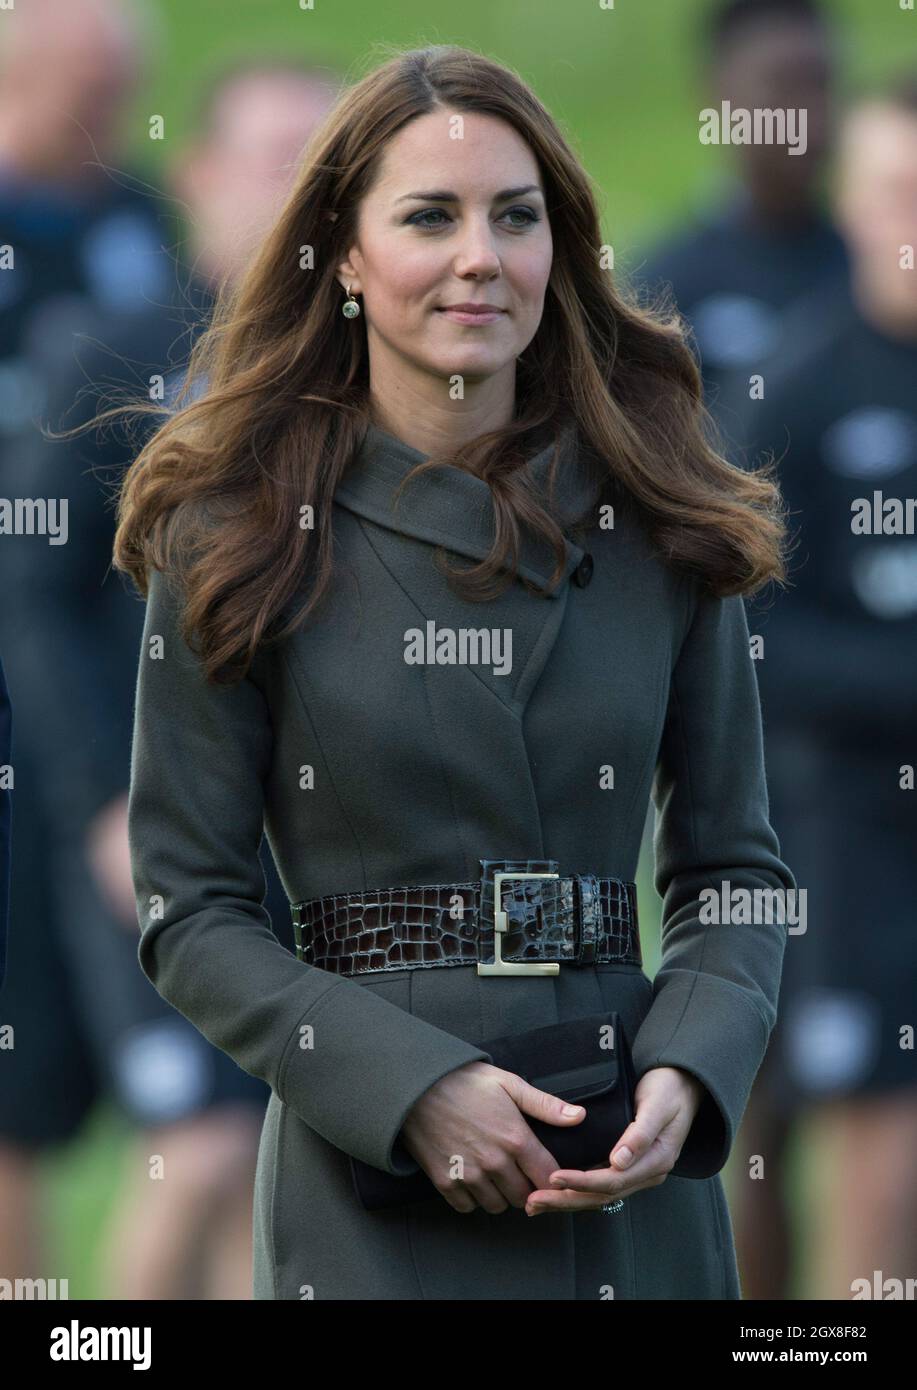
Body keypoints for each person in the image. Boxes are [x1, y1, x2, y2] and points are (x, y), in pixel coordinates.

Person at [115, 44, 796, 1300]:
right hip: (370, 1192)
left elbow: (735, 873)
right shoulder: (235, 531)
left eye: (516, 217)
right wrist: (408, 1088)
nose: (482, 255)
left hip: (629, 1186)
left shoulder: (661, 518)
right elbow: (188, 909)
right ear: (349, 259)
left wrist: (688, 1069)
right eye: (430, 215)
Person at [0, 37, 341, 1297]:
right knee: (192, 1149)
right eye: (270, 159)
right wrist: (101, 797)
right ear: (196, 173)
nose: (294, 190)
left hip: (310, 821)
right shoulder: (109, 354)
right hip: (151, 817)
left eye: (323, 167)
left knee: (289, 1144)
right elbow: (33, 593)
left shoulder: (359, 365)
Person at [724, 80, 917, 1299]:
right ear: (848, 202)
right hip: (845, 831)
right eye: (899, 193)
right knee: (875, 1149)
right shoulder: (786, 398)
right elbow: (741, 639)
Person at [637, 0, 848, 431]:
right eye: (783, 86)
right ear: (718, 95)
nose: (809, 113)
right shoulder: (660, 294)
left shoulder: (873, 273)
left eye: (821, 84)